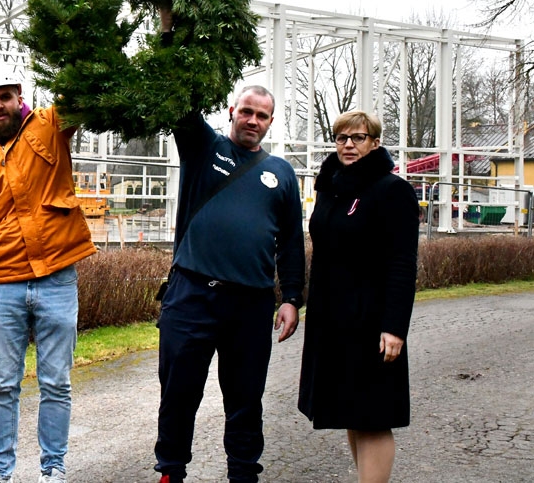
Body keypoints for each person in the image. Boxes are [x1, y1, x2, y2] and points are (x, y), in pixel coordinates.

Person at [154, 74, 306, 480]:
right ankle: (170, 471)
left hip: (251, 304)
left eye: (262, 115)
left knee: (245, 399)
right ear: (231, 113)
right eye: (246, 112)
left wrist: (291, 297)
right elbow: (180, 96)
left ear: (270, 122)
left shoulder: (281, 173)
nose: (253, 120)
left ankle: (243, 474)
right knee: (179, 394)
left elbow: (291, 241)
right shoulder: (203, 147)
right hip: (191, 295)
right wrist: (173, 28)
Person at [0, 61, 97, 483]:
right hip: (2, 284)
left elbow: (83, 87)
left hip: (57, 278)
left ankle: (53, 469)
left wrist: (70, 37)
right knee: (2, 385)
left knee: (56, 382)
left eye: (5, 96)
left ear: (19, 96)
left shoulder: (51, 125)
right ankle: (0, 472)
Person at [298, 111, 418, 482]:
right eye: (341, 138)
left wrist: (394, 327)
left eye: (359, 137)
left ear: (375, 142)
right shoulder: (331, 188)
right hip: (332, 322)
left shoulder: (392, 190)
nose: (348, 144)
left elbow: (402, 263)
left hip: (371, 323)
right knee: (351, 412)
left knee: (374, 417)